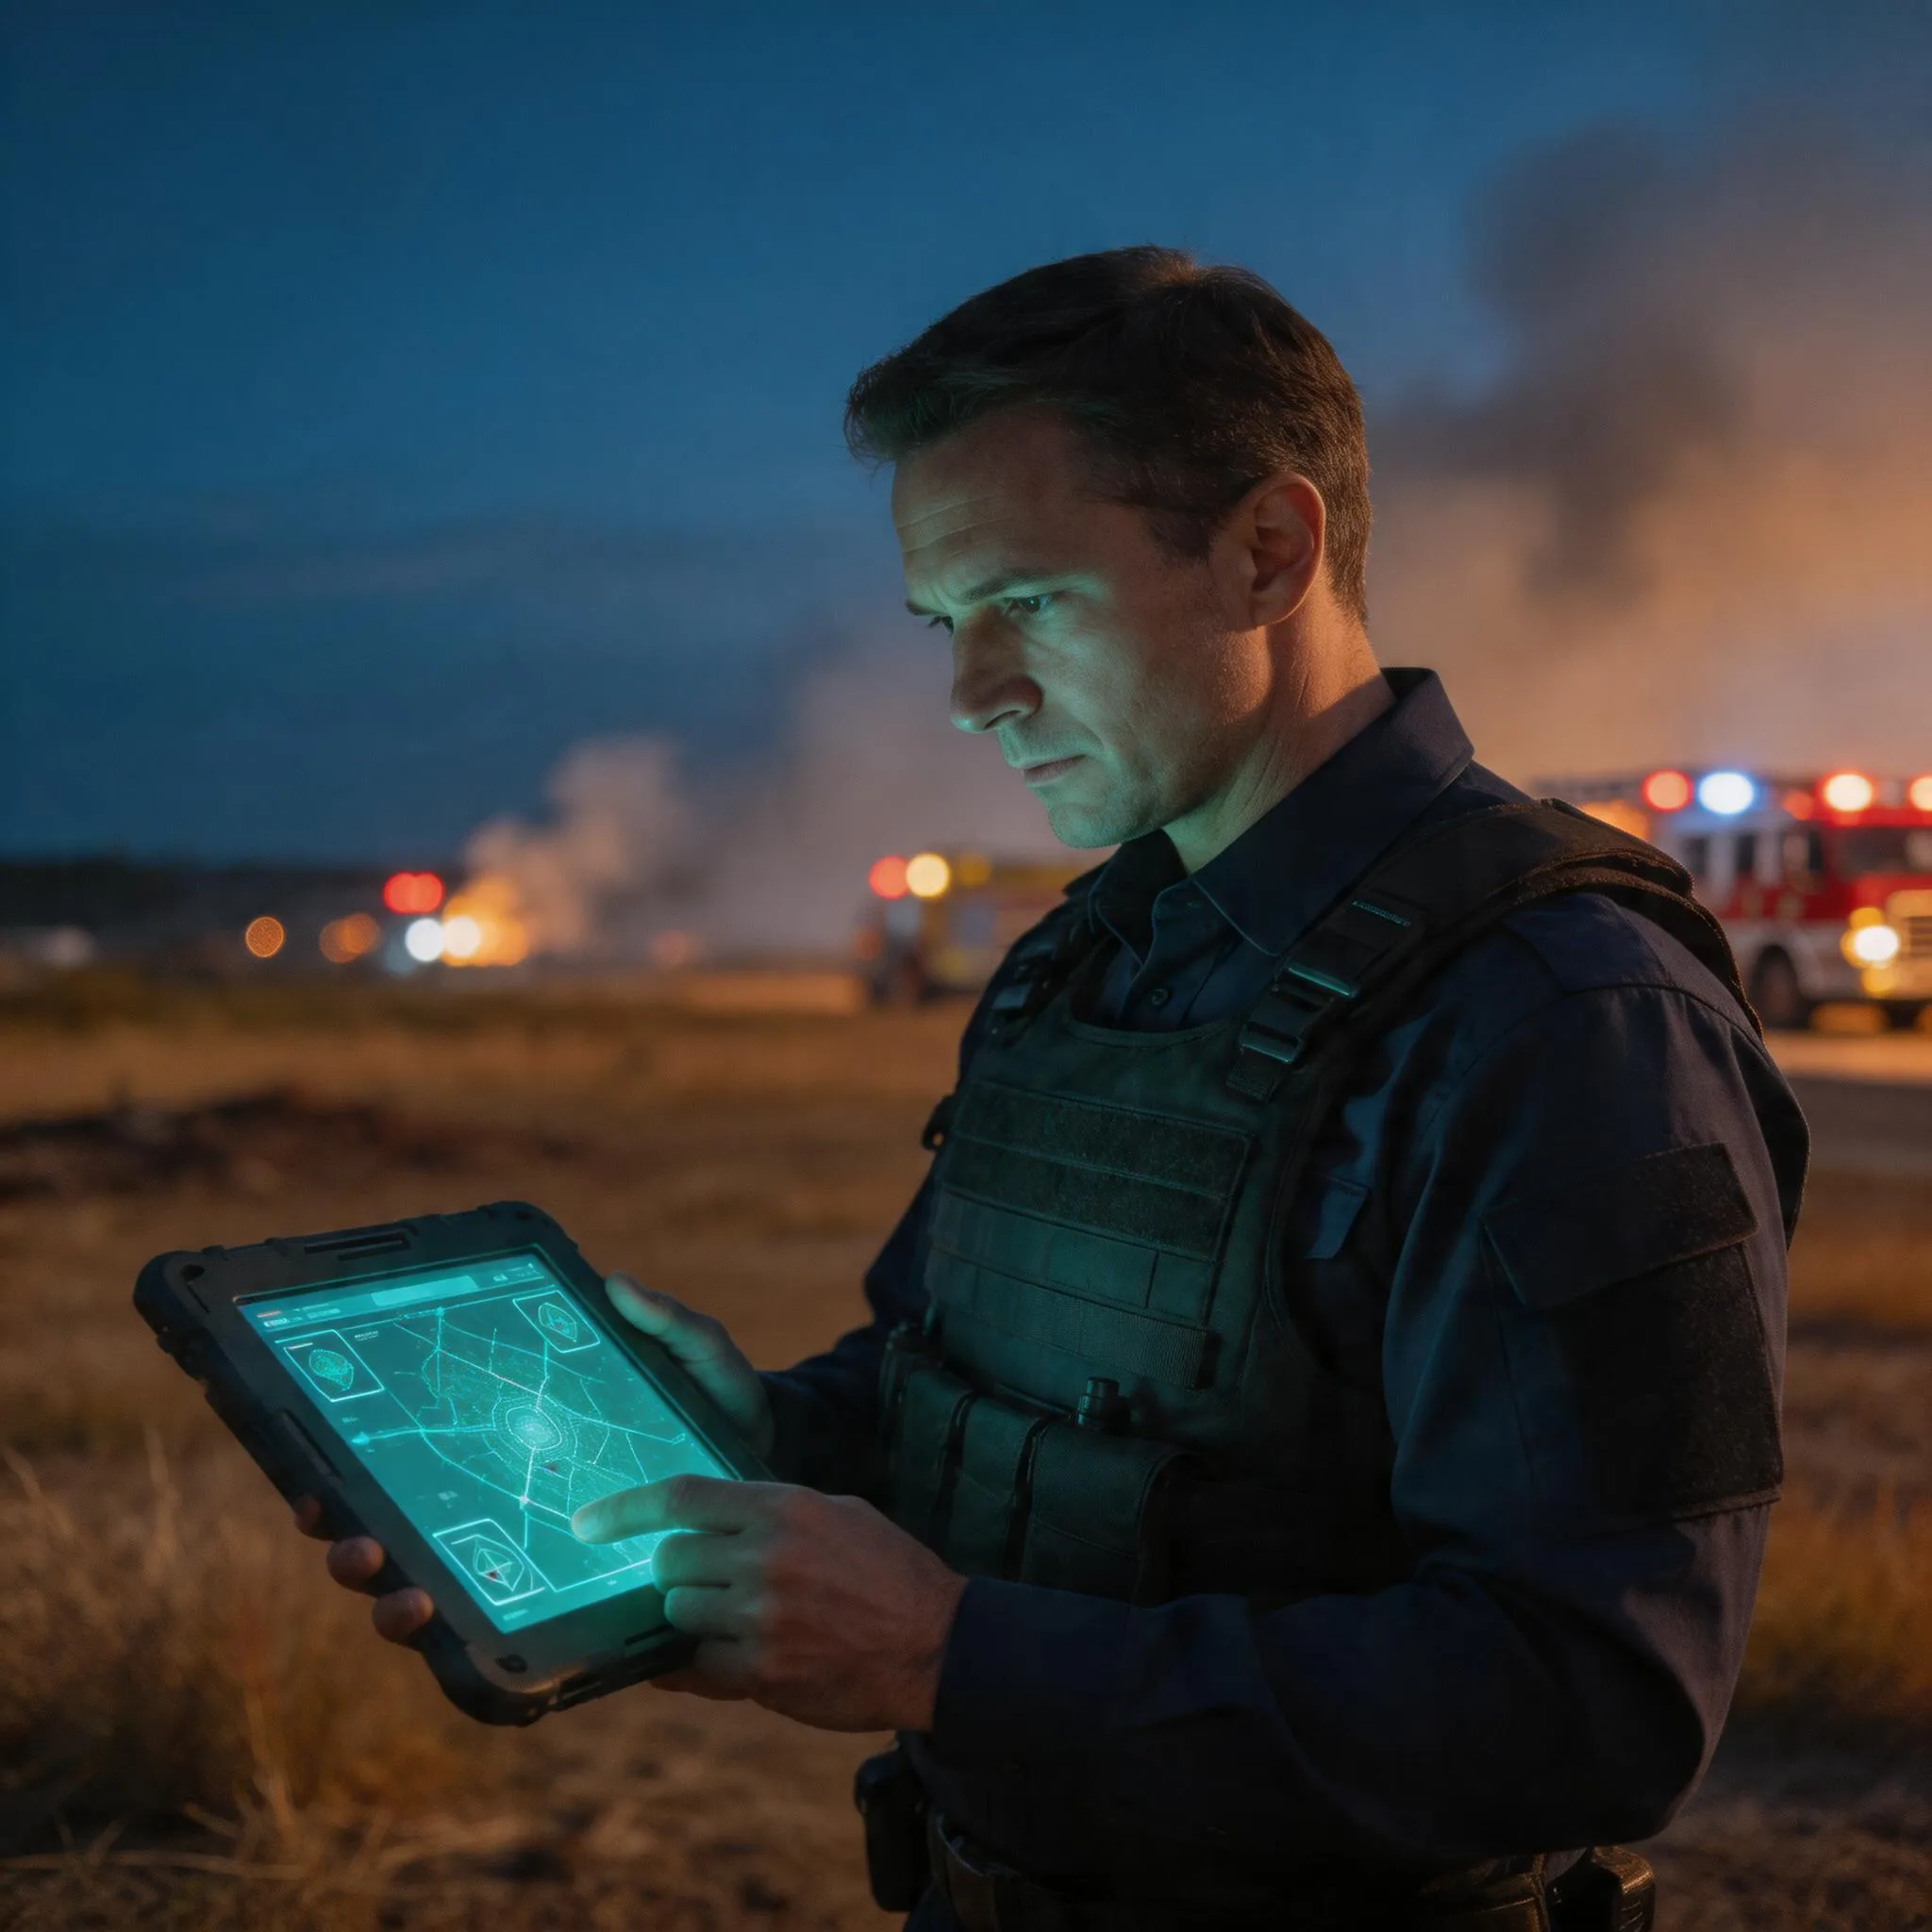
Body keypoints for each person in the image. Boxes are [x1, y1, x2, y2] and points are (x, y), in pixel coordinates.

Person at [303, 247, 1807, 1931]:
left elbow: (1599, 1706)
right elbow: (976, 1386)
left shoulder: (1563, 1019)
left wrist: (952, 1655)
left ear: (1269, 550)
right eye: (947, 623)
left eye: (1030, 601)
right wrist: (773, 1439)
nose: (968, 697)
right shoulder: (1086, 959)